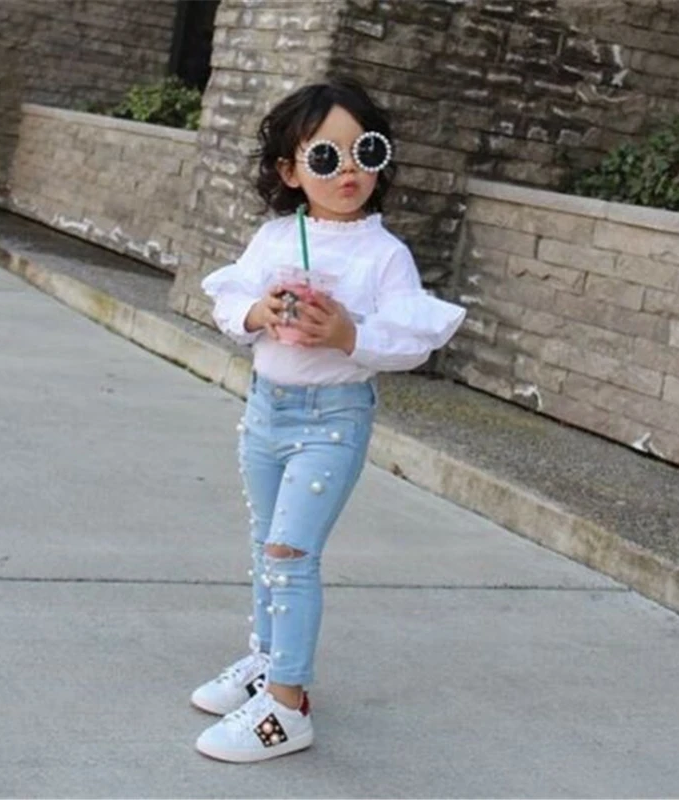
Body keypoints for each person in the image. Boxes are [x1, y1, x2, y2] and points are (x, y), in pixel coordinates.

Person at [192, 77, 466, 763]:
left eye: (365, 151)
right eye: (325, 156)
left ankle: (287, 707)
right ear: (290, 170)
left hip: (332, 422)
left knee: (291, 553)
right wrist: (259, 312)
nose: (348, 170)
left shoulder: (384, 255)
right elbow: (230, 302)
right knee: (266, 544)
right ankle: (266, 661)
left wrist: (348, 334)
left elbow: (411, 339)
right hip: (265, 411)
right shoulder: (274, 237)